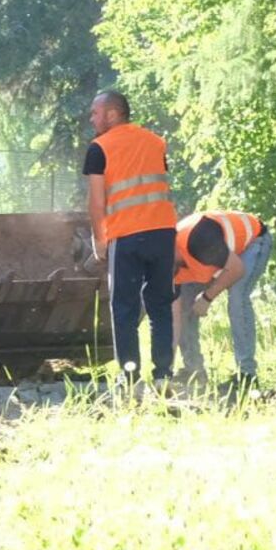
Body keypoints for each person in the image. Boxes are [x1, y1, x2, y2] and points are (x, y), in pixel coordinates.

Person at [84, 89, 177, 388]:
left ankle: (131, 376)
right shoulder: (156, 142)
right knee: (160, 304)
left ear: (112, 114)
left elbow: (97, 202)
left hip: (126, 236)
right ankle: (163, 375)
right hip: (163, 233)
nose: (92, 118)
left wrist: (100, 240)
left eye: (95, 113)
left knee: (124, 307)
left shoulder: (99, 148)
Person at [173, 210, 271, 395]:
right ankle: (194, 371)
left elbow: (235, 270)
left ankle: (247, 375)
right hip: (220, 257)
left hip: (252, 242)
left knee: (237, 297)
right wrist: (165, 369)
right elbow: (175, 317)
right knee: (185, 306)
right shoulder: (171, 266)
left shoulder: (197, 239)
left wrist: (207, 297)